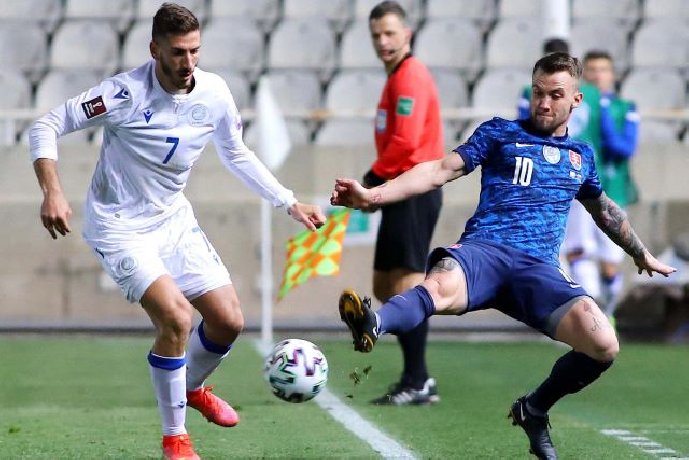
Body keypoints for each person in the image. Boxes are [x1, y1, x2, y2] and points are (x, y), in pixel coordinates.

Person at [331, 52, 675, 459]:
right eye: (537, 93)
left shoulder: (581, 157)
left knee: (604, 344)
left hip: (538, 270)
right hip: (484, 251)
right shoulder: (499, 133)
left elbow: (604, 209)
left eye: (555, 95)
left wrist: (641, 253)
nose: (544, 103)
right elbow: (440, 169)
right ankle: (375, 322)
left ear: (576, 100)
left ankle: (534, 409)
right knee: (439, 284)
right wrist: (373, 195)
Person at [29, 4, 325, 459]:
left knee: (229, 320)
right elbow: (47, 125)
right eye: (178, 53)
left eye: (194, 51)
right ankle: (176, 440)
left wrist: (288, 201)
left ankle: (189, 386)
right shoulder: (122, 93)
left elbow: (237, 154)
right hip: (120, 226)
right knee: (177, 319)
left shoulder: (214, 93)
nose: (188, 63)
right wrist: (52, 191)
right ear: (155, 50)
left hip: (173, 221)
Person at [357, 0, 445, 406]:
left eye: (390, 33)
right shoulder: (396, 79)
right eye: (376, 35)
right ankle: (415, 377)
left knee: (407, 284)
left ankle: (418, 380)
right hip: (399, 190)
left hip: (413, 190)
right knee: (384, 286)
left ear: (407, 34)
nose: (382, 41)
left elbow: (407, 143)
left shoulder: (410, 77)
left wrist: (372, 184)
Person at [563, 50, 640, 324]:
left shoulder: (625, 108)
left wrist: (604, 110)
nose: (597, 75)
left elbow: (623, 148)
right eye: (591, 70)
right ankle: (590, 319)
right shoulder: (575, 107)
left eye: (603, 70)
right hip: (581, 192)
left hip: (614, 191)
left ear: (612, 75)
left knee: (610, 260)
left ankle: (608, 313)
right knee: (579, 251)